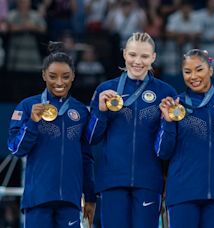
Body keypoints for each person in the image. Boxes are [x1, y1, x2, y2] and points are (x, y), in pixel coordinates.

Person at [85, 32, 176, 228]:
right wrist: (101, 112)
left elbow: (167, 150)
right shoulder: (105, 89)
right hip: (112, 179)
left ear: (153, 58)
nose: (138, 61)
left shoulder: (165, 92)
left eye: (144, 56)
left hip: (148, 180)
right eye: (133, 55)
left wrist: (168, 122)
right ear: (124, 54)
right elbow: (91, 138)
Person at [7, 41, 96, 228]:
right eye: (53, 76)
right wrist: (32, 122)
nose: (59, 82)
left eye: (65, 76)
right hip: (38, 199)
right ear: (43, 75)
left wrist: (90, 196)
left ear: (73, 76)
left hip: (70, 200)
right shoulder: (27, 106)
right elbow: (16, 149)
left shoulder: (80, 111)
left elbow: (86, 158)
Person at [154, 49, 214, 227]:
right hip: (182, 195)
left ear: (211, 70)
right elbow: (163, 152)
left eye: (199, 69)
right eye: (187, 71)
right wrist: (167, 122)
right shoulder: (175, 105)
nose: (193, 76)